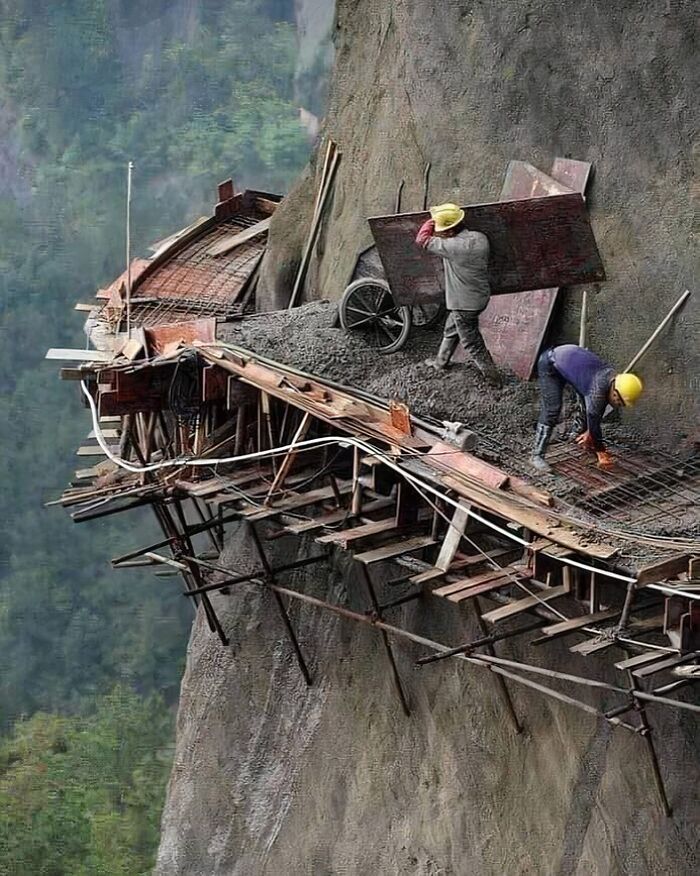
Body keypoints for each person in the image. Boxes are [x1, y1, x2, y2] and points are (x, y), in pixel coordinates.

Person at [415, 202, 501, 387]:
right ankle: (440, 362)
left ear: (450, 231)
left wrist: (432, 221)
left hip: (464, 304)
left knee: (472, 343)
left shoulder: (452, 247)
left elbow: (422, 239)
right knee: (452, 327)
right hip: (479, 296)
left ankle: (494, 380)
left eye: (441, 229)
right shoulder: (480, 238)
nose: (438, 232)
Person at [531, 344, 643, 472]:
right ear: (615, 393)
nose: (620, 406)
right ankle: (537, 456)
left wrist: (590, 433)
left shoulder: (611, 378)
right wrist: (601, 453)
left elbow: (596, 411)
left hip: (569, 361)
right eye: (620, 402)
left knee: (587, 405)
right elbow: (594, 419)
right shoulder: (598, 390)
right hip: (550, 363)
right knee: (552, 409)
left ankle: (578, 435)